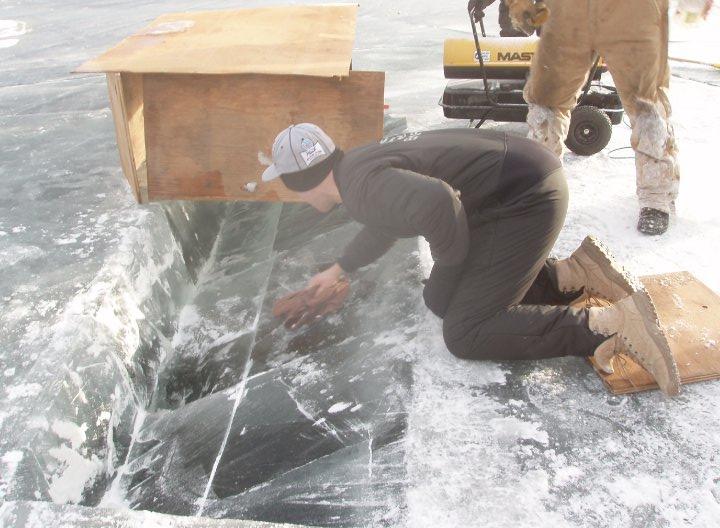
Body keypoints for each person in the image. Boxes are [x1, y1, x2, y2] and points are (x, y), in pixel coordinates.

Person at [261, 123, 681, 395]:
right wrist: (340, 268)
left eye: (288, 184)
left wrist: (449, 266)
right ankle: (569, 276)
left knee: (465, 331)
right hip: (517, 181)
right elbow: (388, 220)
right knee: (444, 299)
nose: (291, 194)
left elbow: (438, 201)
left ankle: (613, 325)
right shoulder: (356, 169)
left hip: (524, 198)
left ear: (303, 180)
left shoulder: (360, 189)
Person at [521, 0, 712, 235]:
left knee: (647, 104)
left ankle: (656, 198)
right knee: (547, 101)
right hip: (567, 11)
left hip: (633, 11)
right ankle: (541, 186)